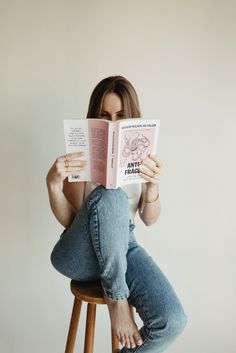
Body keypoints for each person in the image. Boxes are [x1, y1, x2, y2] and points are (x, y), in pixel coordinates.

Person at [46, 76, 187, 352]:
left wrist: (153, 185)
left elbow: (149, 218)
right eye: (105, 116)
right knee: (111, 195)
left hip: (124, 244)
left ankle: (117, 294)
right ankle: (117, 301)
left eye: (121, 116)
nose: (113, 123)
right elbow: (70, 220)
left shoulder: (143, 155)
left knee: (172, 320)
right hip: (80, 251)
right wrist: (52, 185)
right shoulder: (81, 152)